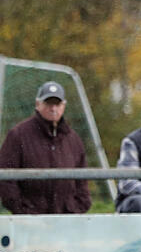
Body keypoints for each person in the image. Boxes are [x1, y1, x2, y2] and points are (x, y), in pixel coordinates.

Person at [0, 81, 92, 214]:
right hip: (29, 220)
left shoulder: (73, 139)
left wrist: (77, 208)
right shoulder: (18, 135)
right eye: (49, 103)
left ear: (64, 106)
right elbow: (6, 178)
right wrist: (24, 211)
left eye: (57, 104)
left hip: (67, 219)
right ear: (38, 104)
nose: (53, 108)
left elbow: (82, 181)